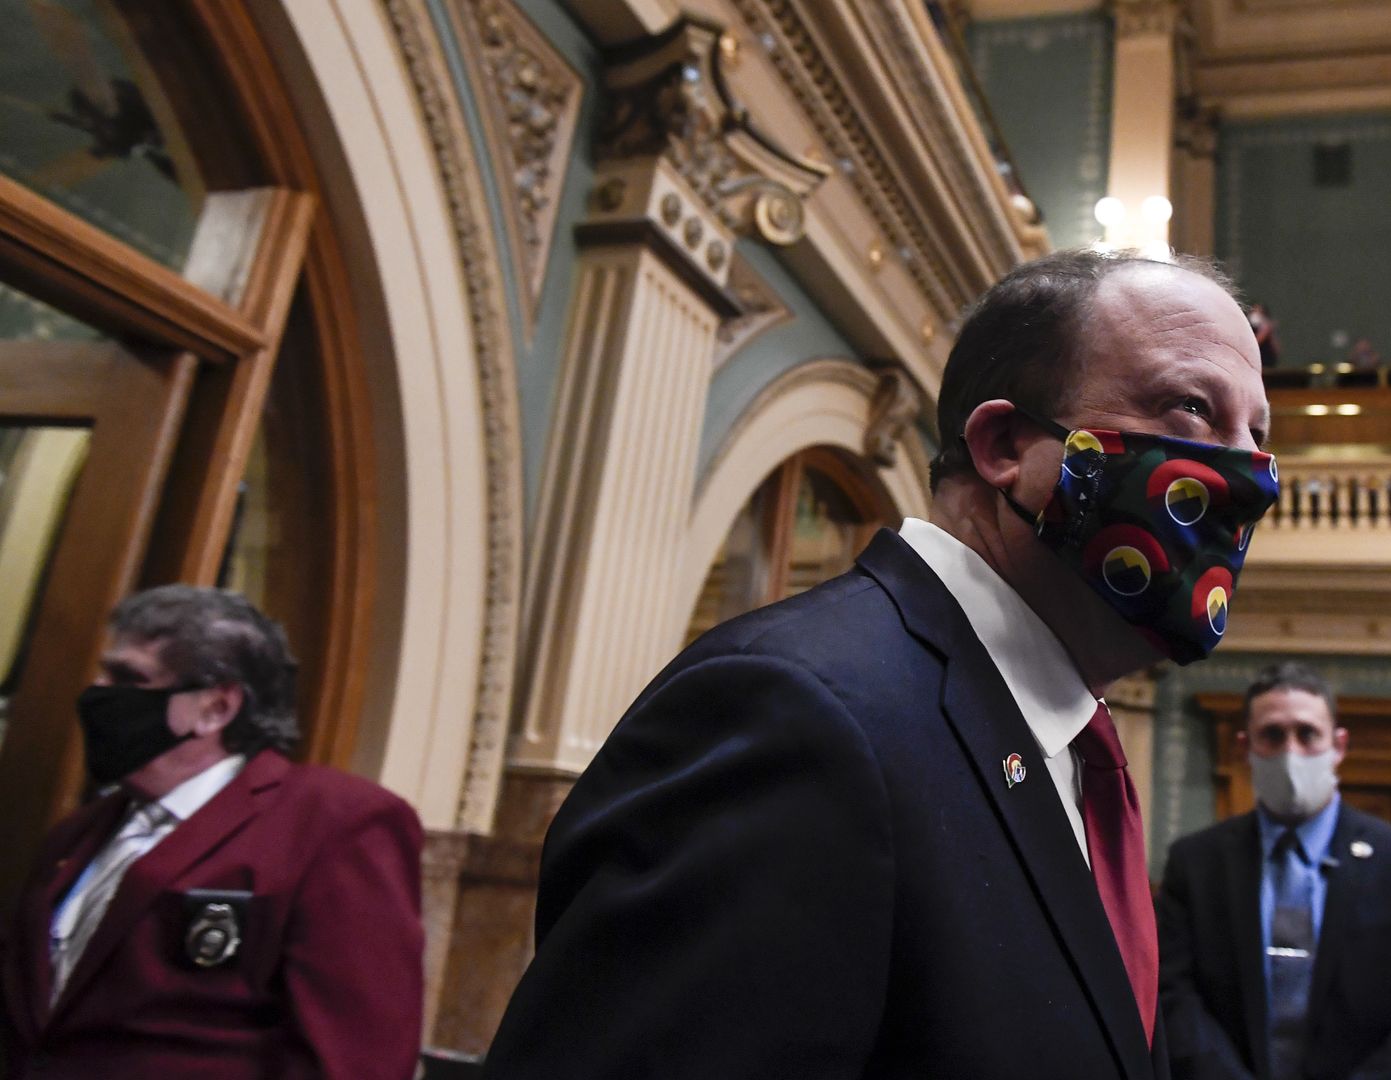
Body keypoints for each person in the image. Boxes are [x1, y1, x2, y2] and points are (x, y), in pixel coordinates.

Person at [482, 249, 1280, 1078]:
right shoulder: (795, 714)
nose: (1254, 478)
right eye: (1191, 409)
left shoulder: (1068, 751)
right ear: (1005, 442)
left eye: (1256, 434)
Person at [0, 586, 424, 1078]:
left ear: (216, 708)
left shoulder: (333, 823)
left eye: (128, 677)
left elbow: (355, 1059)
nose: (97, 690)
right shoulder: (77, 835)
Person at [1155, 662, 1391, 1080]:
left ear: (1338, 746)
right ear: (1243, 747)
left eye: (1307, 734)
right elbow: (1173, 997)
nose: (1292, 752)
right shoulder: (1195, 863)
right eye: (1272, 735)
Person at [1249, 302, 1282, 371]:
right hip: (1254, 363)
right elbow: (1253, 345)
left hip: (1266, 364)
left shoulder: (1268, 327)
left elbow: (1276, 349)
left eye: (1259, 312)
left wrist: (1270, 331)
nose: (1256, 315)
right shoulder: (1249, 328)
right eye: (1254, 311)